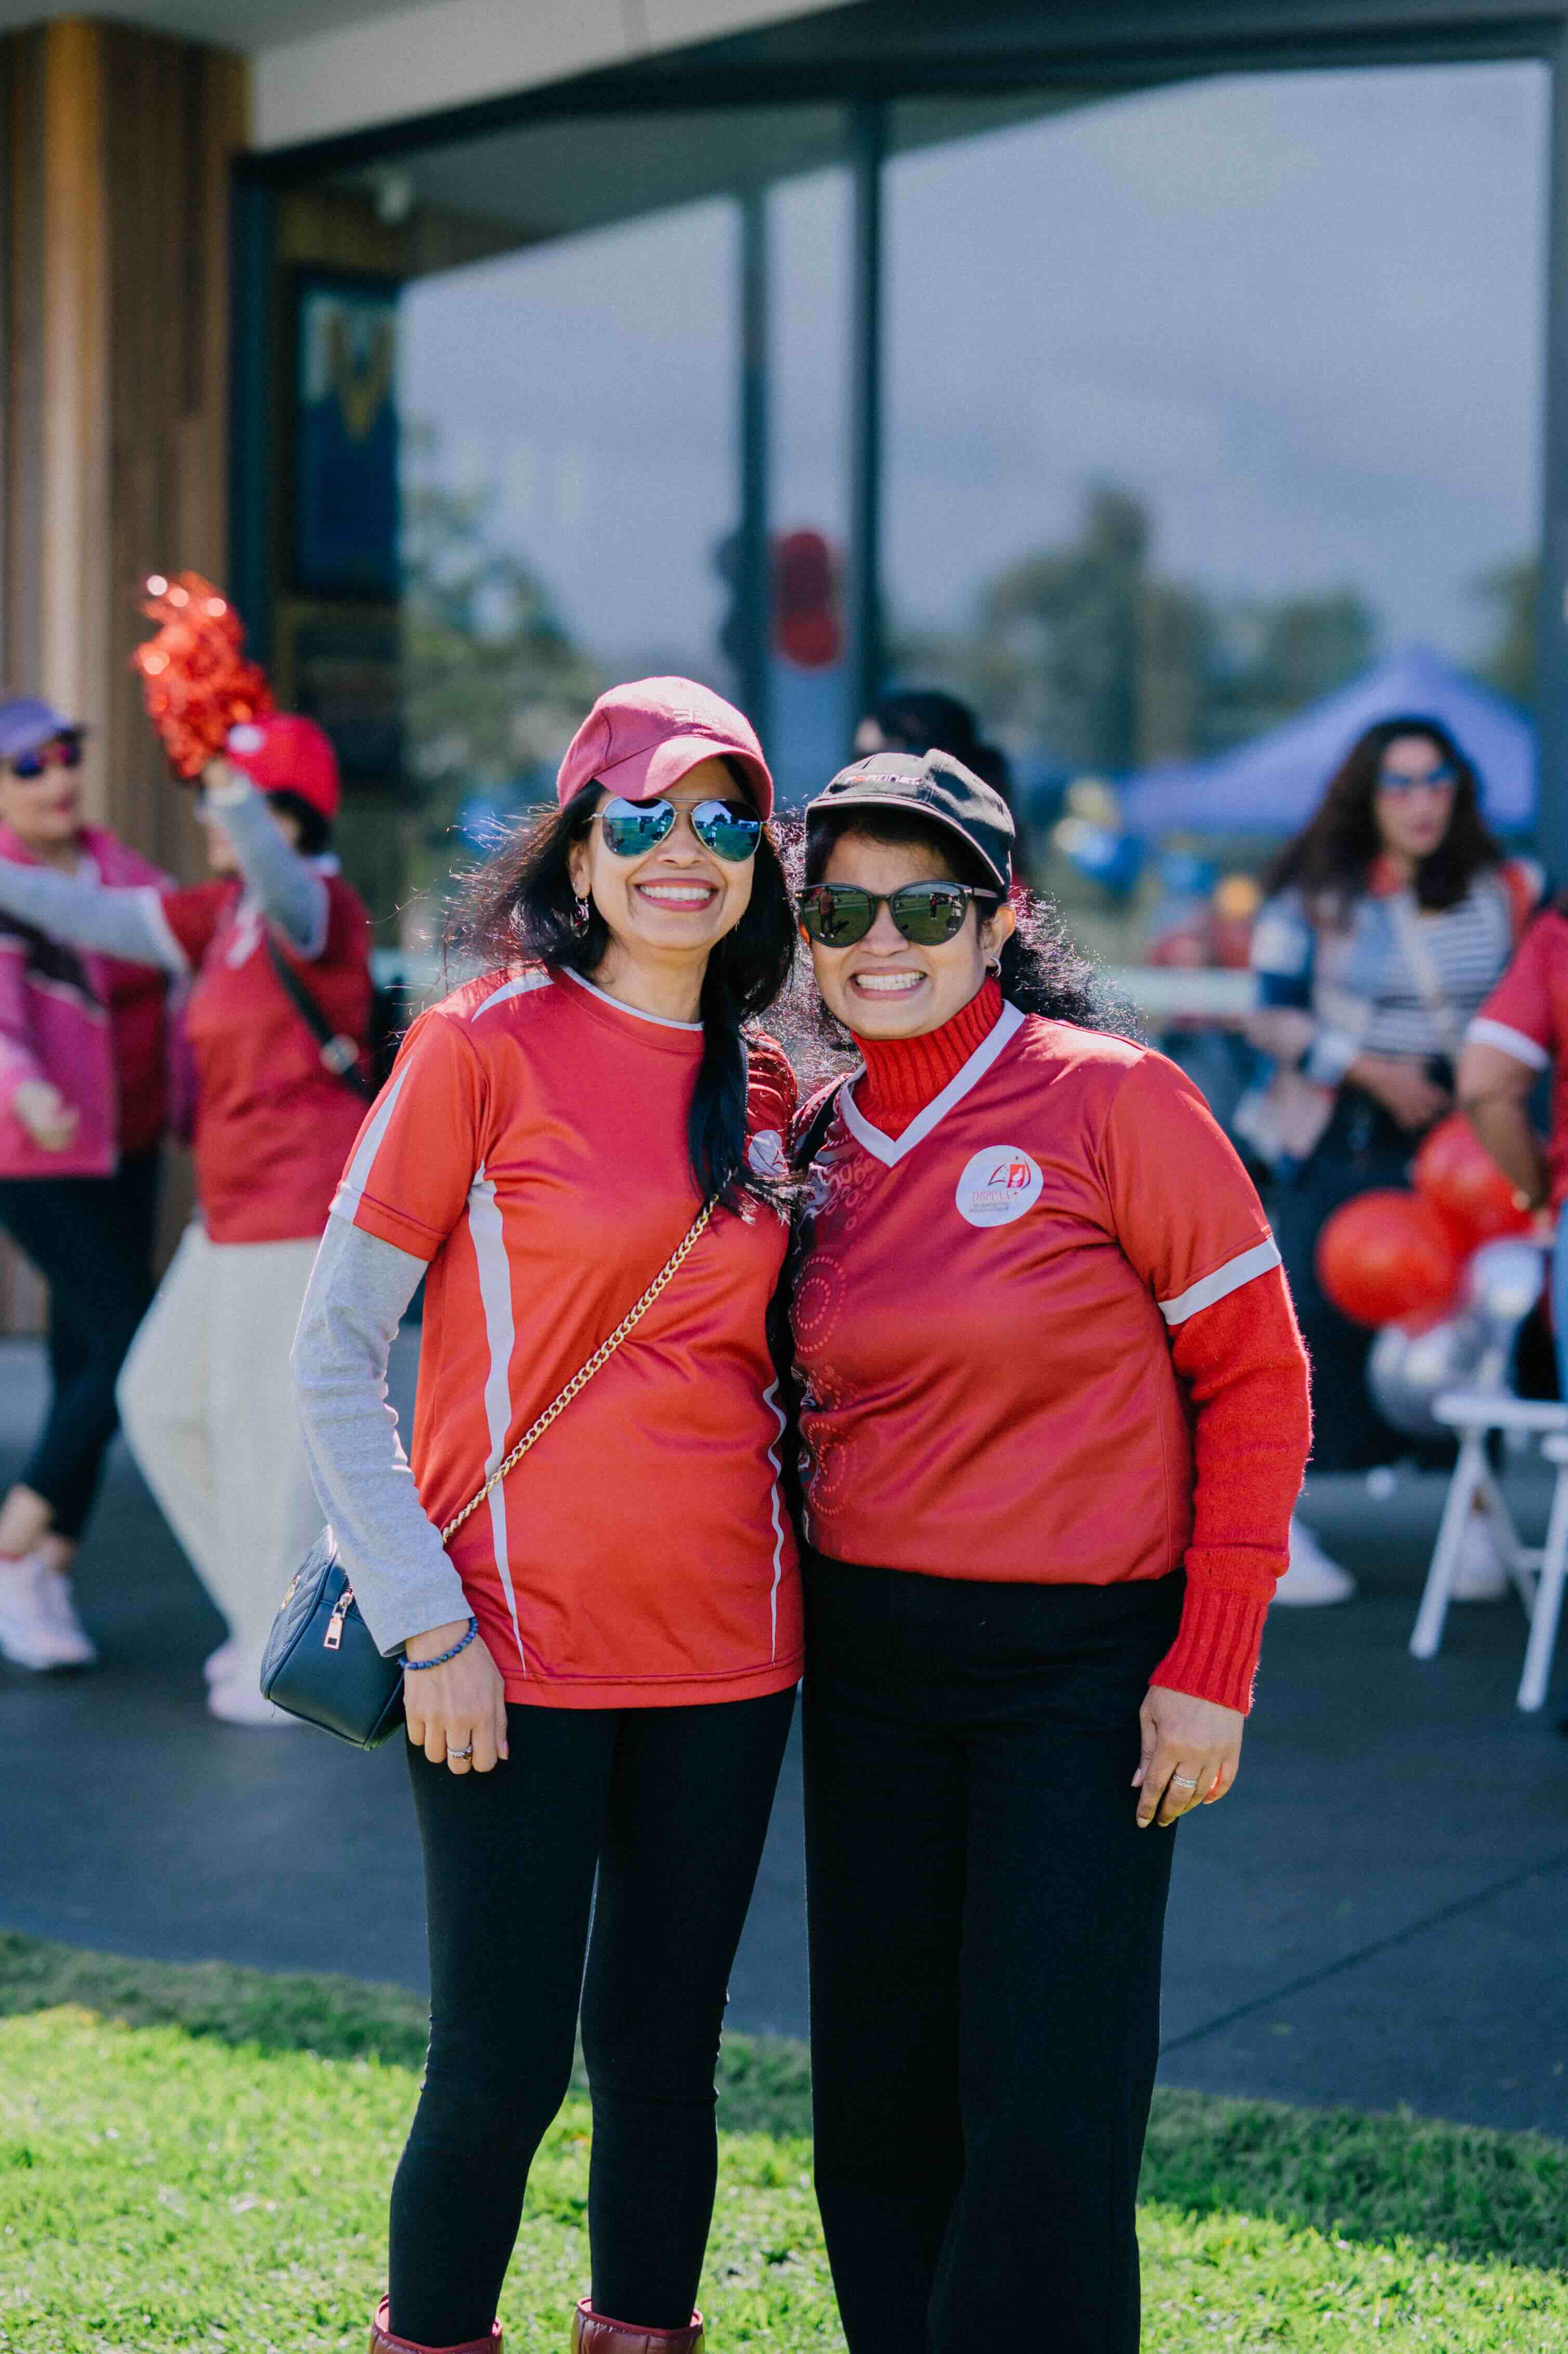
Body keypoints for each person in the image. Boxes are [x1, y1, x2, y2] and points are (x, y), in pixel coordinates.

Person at [290, 679, 801, 2354]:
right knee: (497, 2066)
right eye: (643, 816)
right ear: (579, 851)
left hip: (731, 1662)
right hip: (502, 1659)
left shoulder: (776, 1089)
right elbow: (332, 1354)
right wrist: (428, 1623)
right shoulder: (480, 1046)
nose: (686, 851)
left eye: (726, 820)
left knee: (663, 2058)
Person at [788, 749, 1312, 2354]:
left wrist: (1210, 1670)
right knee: (877, 2089)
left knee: (1044, 2102)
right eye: (843, 907)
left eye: (927, 903)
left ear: (1001, 914)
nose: (885, 940)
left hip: (1077, 1681)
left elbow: (1262, 1378)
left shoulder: (1112, 1097)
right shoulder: (807, 1136)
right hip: (865, 1665)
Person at [0, 712, 372, 1720]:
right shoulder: (226, 913)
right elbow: (97, 920)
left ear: (281, 808)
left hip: (298, 1208)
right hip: (227, 1213)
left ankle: (279, 1650)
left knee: (262, 1442)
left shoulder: (312, 905)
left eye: (237, 801)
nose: (211, 818)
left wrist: (228, 787)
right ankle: (272, 1618)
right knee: (160, 1401)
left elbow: (276, 865)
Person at [1246, 714, 1537, 1603]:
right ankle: (1276, 1527)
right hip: (1348, 1129)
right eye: (1400, 784)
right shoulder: (1314, 893)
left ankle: (1475, 1517)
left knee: (1475, 1326)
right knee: (1315, 1327)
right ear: (1366, 795)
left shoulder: (1508, 886)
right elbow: (1271, 1011)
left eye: (1438, 780)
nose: (1421, 802)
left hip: (1467, 1140)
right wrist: (1367, 1068)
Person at [0, 698, 172, 1671]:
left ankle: (47, 1572)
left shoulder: (120, 873)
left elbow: (190, 952)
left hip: (131, 1149)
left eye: (65, 756)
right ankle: (15, 1542)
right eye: (27, 767)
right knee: (128, 1342)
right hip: (36, 1155)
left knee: (84, 1361)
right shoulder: (7, 881)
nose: (56, 777)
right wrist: (24, 1095)